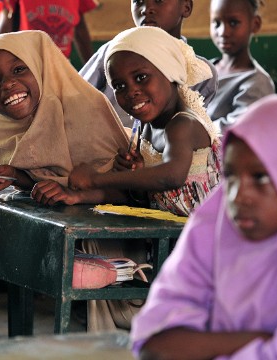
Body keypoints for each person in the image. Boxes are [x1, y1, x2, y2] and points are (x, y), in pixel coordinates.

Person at [130, 95, 277, 359]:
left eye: (261, 177)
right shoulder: (214, 224)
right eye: (231, 176)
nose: (237, 196)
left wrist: (205, 345)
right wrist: (262, 340)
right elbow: (156, 343)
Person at [68, 26, 222, 332]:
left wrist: (99, 179)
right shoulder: (145, 130)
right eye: (119, 86)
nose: (131, 92)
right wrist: (77, 196)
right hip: (171, 242)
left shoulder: (183, 123)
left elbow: (171, 177)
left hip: (211, 250)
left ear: (169, 72)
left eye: (141, 78)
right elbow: (139, 195)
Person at [0, 30, 130, 205]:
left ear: (41, 68)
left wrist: (71, 192)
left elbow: (130, 190)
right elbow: (45, 178)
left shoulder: (85, 110)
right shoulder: (0, 129)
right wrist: (14, 176)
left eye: (19, 69)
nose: (7, 84)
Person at [79, 0, 219, 127]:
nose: (146, 9)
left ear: (186, 7)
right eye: (138, 1)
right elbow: (76, 98)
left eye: (158, 0)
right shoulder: (115, 52)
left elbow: (193, 130)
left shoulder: (202, 72)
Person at [207, 0, 274, 132]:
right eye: (216, 23)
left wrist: (188, 129)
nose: (223, 32)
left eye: (233, 23)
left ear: (255, 24)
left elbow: (236, 130)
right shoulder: (204, 68)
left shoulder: (257, 83)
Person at [0, 0, 97, 63]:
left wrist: (93, 68)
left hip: (61, 63)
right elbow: (5, 22)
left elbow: (80, 27)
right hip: (26, 63)